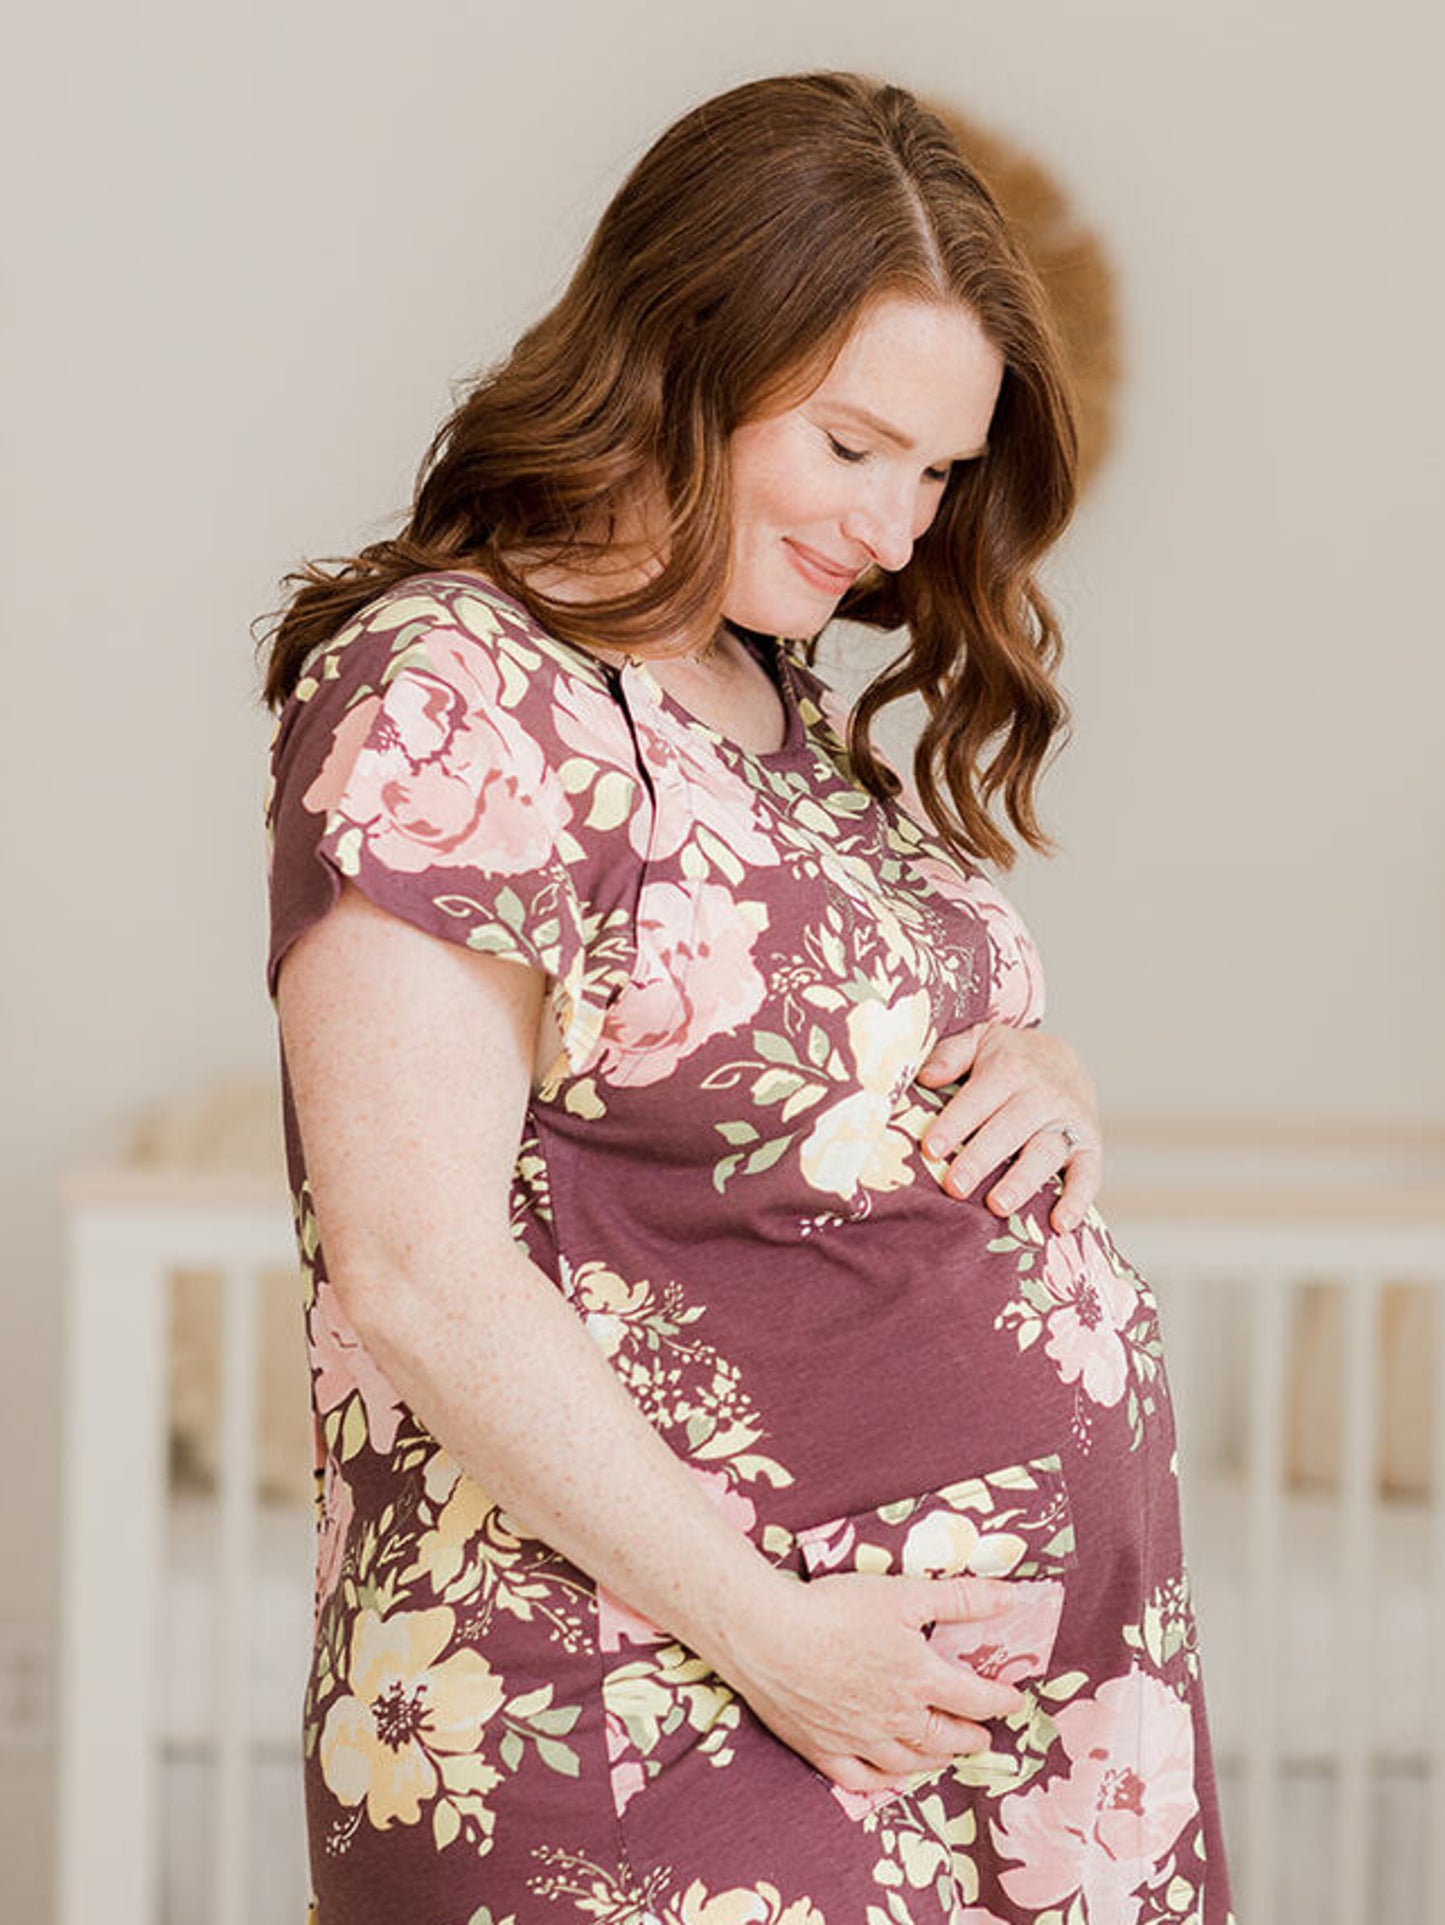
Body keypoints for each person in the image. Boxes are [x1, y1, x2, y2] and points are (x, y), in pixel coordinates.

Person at [260, 70, 1234, 1925]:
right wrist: (781, 1637)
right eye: (856, 444)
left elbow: (757, 1084)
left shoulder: (760, 689)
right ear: (681, 351)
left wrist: (1033, 1071)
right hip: (664, 1702)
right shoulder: (453, 688)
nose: (898, 527)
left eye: (940, 472)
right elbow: (417, 1268)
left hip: (953, 1722)